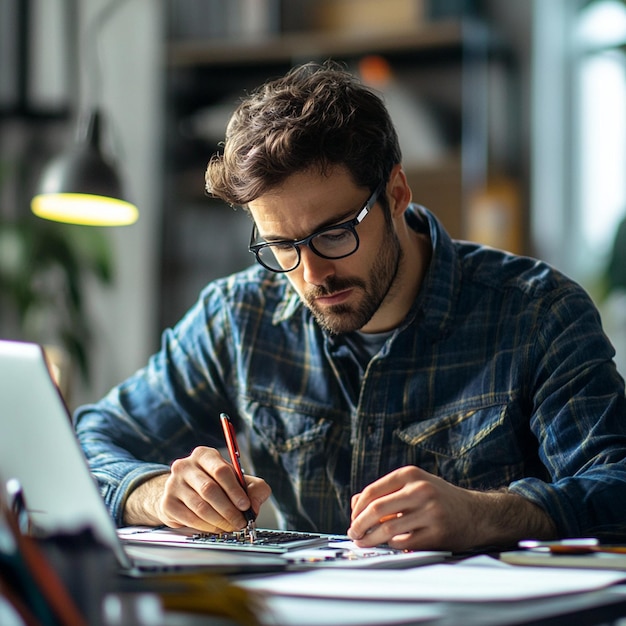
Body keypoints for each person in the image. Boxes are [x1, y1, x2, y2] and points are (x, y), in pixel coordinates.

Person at [74, 61, 626, 553]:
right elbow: (84, 444)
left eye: (335, 234)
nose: (311, 274)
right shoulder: (239, 318)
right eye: (282, 247)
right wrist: (154, 495)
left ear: (397, 193)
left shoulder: (537, 313)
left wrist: (482, 516)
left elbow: (616, 485)